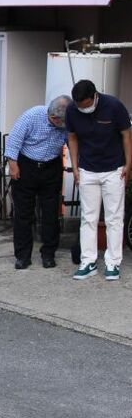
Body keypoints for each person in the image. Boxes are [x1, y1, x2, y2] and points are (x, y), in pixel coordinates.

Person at [66, 80, 132, 281]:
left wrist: (128, 165)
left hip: (114, 169)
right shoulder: (72, 110)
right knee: (88, 218)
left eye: (85, 104)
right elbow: (72, 137)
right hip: (87, 170)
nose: (82, 109)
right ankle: (88, 261)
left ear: (94, 96)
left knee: (114, 218)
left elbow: (126, 135)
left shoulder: (113, 105)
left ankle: (113, 263)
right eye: (79, 105)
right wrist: (75, 167)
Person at [5, 96, 72, 270]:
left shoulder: (67, 122)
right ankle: (22, 256)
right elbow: (13, 141)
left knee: (50, 213)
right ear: (56, 118)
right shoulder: (32, 115)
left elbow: (72, 143)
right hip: (27, 165)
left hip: (51, 167)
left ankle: (48, 254)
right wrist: (13, 165)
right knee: (23, 214)